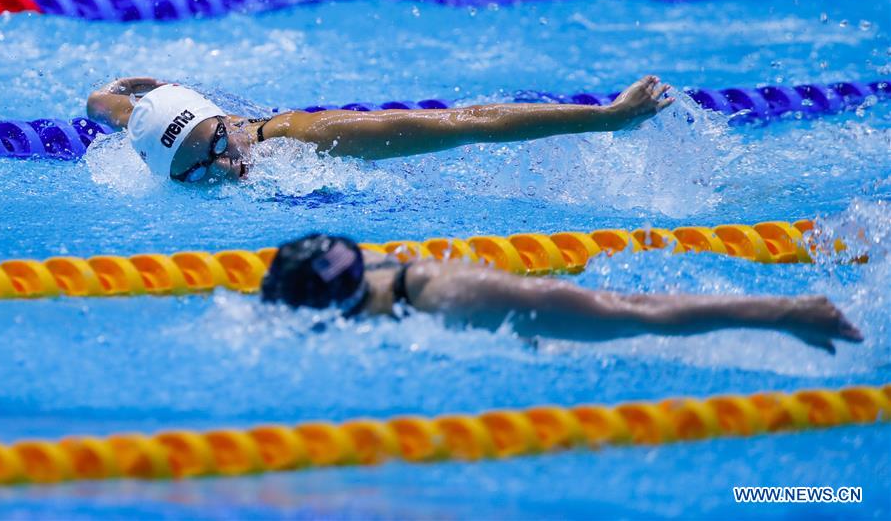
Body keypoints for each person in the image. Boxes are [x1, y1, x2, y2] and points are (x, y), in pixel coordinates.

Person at [260, 234, 864, 354]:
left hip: (515, 315)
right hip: (519, 330)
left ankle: (790, 308)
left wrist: (782, 312)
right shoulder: (368, 276)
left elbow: (629, 316)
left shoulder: (449, 295)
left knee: (630, 317)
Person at [86, 75, 673, 183]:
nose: (226, 166)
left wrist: (608, 119)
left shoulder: (303, 139)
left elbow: (468, 123)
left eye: (220, 143)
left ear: (226, 121)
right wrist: (142, 86)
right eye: (197, 171)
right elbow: (103, 103)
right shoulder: (149, 138)